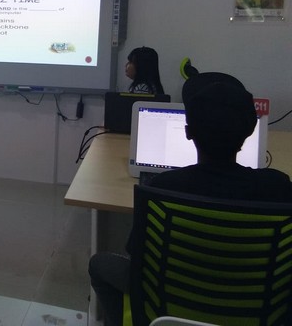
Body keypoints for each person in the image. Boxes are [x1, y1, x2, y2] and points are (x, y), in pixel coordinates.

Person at [89, 72, 292, 326]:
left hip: (170, 301)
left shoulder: (163, 188)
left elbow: (138, 256)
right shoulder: (279, 187)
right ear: (250, 131)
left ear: (187, 132)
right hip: (258, 308)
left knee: (100, 265)